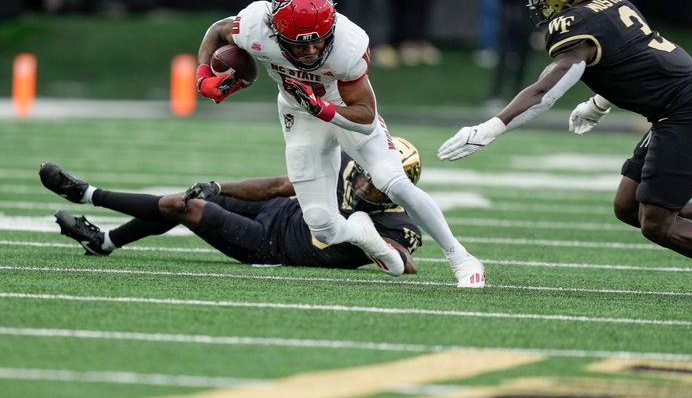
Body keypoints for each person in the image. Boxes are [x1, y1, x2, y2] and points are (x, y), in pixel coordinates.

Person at [437, 0, 692, 300]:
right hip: (686, 103)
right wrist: (599, 101)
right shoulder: (615, 5)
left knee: (657, 223)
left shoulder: (575, 23)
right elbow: (640, 61)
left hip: (685, 112)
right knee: (628, 204)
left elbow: (547, 90)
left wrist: (491, 127)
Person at [193, 0, 484, 287]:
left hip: (344, 112)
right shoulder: (254, 25)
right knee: (322, 227)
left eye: (319, 39)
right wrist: (202, 76)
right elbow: (217, 32)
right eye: (300, 44)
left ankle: (461, 258)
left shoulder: (348, 45)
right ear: (276, 31)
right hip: (299, 115)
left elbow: (366, 116)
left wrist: (323, 108)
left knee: (393, 182)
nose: (312, 50)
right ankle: (365, 235)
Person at [38, 138, 424, 274]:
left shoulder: (399, 224)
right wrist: (220, 186)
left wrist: (367, 236)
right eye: (367, 174)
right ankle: (103, 241)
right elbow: (278, 185)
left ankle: (87, 194)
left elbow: (406, 264)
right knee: (190, 197)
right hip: (275, 211)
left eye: (376, 184)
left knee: (185, 209)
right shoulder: (345, 165)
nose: (364, 183)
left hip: (274, 248)